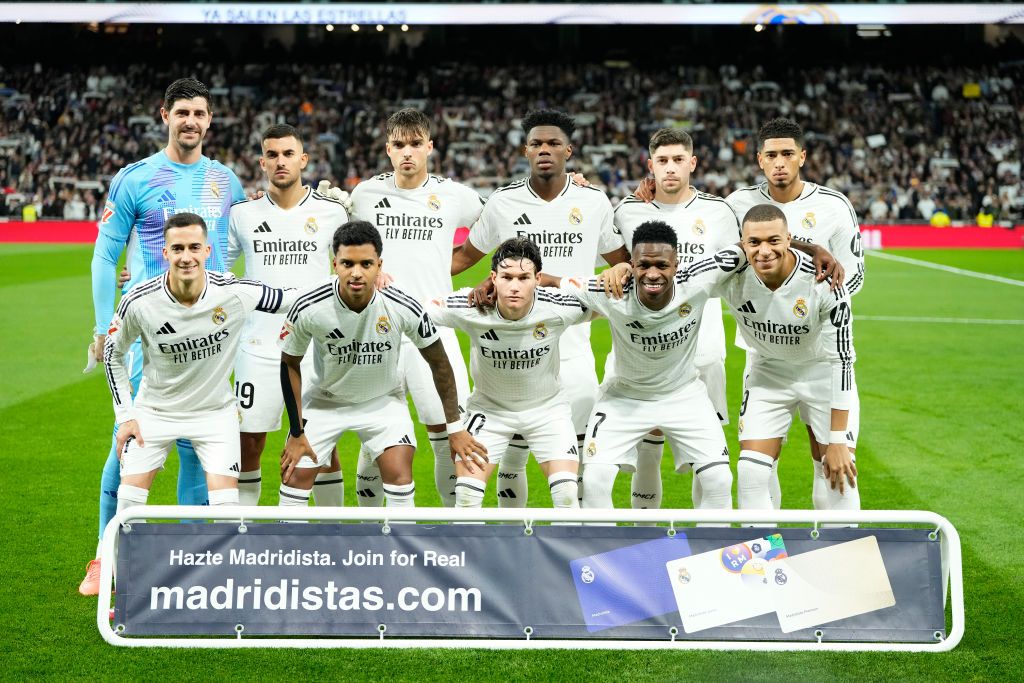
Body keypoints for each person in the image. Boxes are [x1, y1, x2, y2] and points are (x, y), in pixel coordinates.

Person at [81, 77, 245, 595]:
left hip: (212, 336)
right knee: (127, 444)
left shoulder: (227, 183)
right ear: (164, 115)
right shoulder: (136, 178)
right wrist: (106, 325)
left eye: (199, 113)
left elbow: (240, 250)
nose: (191, 122)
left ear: (210, 120)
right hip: (148, 330)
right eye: (182, 113)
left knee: (201, 449)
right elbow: (105, 256)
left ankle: (190, 563)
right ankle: (107, 558)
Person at [454, 109, 629, 506]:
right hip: (512, 349)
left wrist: (620, 269)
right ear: (525, 150)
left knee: (576, 462)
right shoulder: (503, 202)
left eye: (553, 143)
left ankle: (575, 545)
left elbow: (623, 262)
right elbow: (463, 259)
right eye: (537, 144)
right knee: (511, 456)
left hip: (573, 348)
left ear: (569, 150)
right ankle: (514, 549)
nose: (544, 150)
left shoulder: (593, 201)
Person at [277, 221, 485, 509]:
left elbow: (439, 362)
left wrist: (455, 427)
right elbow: (289, 364)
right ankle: (303, 550)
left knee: (399, 473)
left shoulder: (403, 304)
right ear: (334, 264)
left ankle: (398, 553)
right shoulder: (309, 304)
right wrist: (297, 433)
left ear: (379, 265)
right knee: (292, 479)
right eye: (347, 263)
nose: (357, 273)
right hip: (325, 403)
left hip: (383, 402)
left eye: (366, 264)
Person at [104, 213, 293, 520]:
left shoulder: (232, 292)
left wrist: (354, 281)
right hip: (155, 412)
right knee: (128, 504)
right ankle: (109, 565)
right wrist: (125, 415)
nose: (186, 257)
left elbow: (291, 299)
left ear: (207, 251)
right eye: (177, 249)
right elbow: (113, 353)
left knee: (227, 510)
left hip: (214, 414)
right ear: (165, 253)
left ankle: (220, 568)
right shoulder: (140, 301)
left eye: (194, 247)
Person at [556, 221, 743, 516]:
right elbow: (550, 282)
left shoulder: (700, 278)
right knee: (594, 481)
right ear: (631, 264)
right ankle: (604, 560)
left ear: (677, 264)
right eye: (643, 265)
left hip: (684, 396)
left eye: (662, 265)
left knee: (719, 480)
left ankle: (710, 558)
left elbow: (755, 245)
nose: (653, 274)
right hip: (624, 398)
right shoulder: (609, 290)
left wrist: (813, 249)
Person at [725, 118, 864, 510]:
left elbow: (852, 277)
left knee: (833, 466)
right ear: (759, 160)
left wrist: (801, 302)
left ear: (802, 156)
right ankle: (766, 564)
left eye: (788, 153)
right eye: (771, 155)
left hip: (821, 359)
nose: (780, 162)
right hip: (765, 358)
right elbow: (715, 250)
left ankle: (839, 563)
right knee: (755, 471)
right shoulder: (736, 205)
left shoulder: (834, 205)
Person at [347, 108, 481, 507]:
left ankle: (452, 526)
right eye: (400, 145)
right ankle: (371, 529)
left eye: (416, 144)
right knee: (375, 441)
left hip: (434, 331)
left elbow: (495, 223)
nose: (408, 153)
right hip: (376, 333)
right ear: (388, 149)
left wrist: (453, 265)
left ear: (430, 147)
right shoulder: (365, 195)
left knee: (448, 434)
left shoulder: (455, 195)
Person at [613, 128, 740, 512]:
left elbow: (736, 270)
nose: (670, 168)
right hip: (642, 346)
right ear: (650, 165)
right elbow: (615, 263)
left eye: (678, 160)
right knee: (647, 448)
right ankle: (645, 532)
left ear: (693, 163)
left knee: (708, 457)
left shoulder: (718, 213)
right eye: (662, 161)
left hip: (704, 348)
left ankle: (705, 537)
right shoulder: (627, 211)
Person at [227, 123, 348, 507]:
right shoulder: (242, 214)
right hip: (257, 345)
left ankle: (335, 534)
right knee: (248, 443)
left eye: (289, 154)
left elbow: (352, 267)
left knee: (323, 446)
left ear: (304, 160)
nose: (281, 162)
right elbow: (214, 270)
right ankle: (245, 532)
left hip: (316, 349)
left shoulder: (332, 212)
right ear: (262, 162)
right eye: (273, 155)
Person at [426, 237, 591, 510]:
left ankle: (566, 553)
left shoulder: (559, 306)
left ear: (538, 278)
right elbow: (414, 309)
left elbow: (607, 304)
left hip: (548, 412)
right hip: (489, 412)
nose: (514, 286)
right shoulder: (471, 306)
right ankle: (470, 554)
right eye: (507, 277)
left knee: (566, 494)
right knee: (466, 497)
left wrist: (618, 272)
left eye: (523, 277)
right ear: (493, 278)